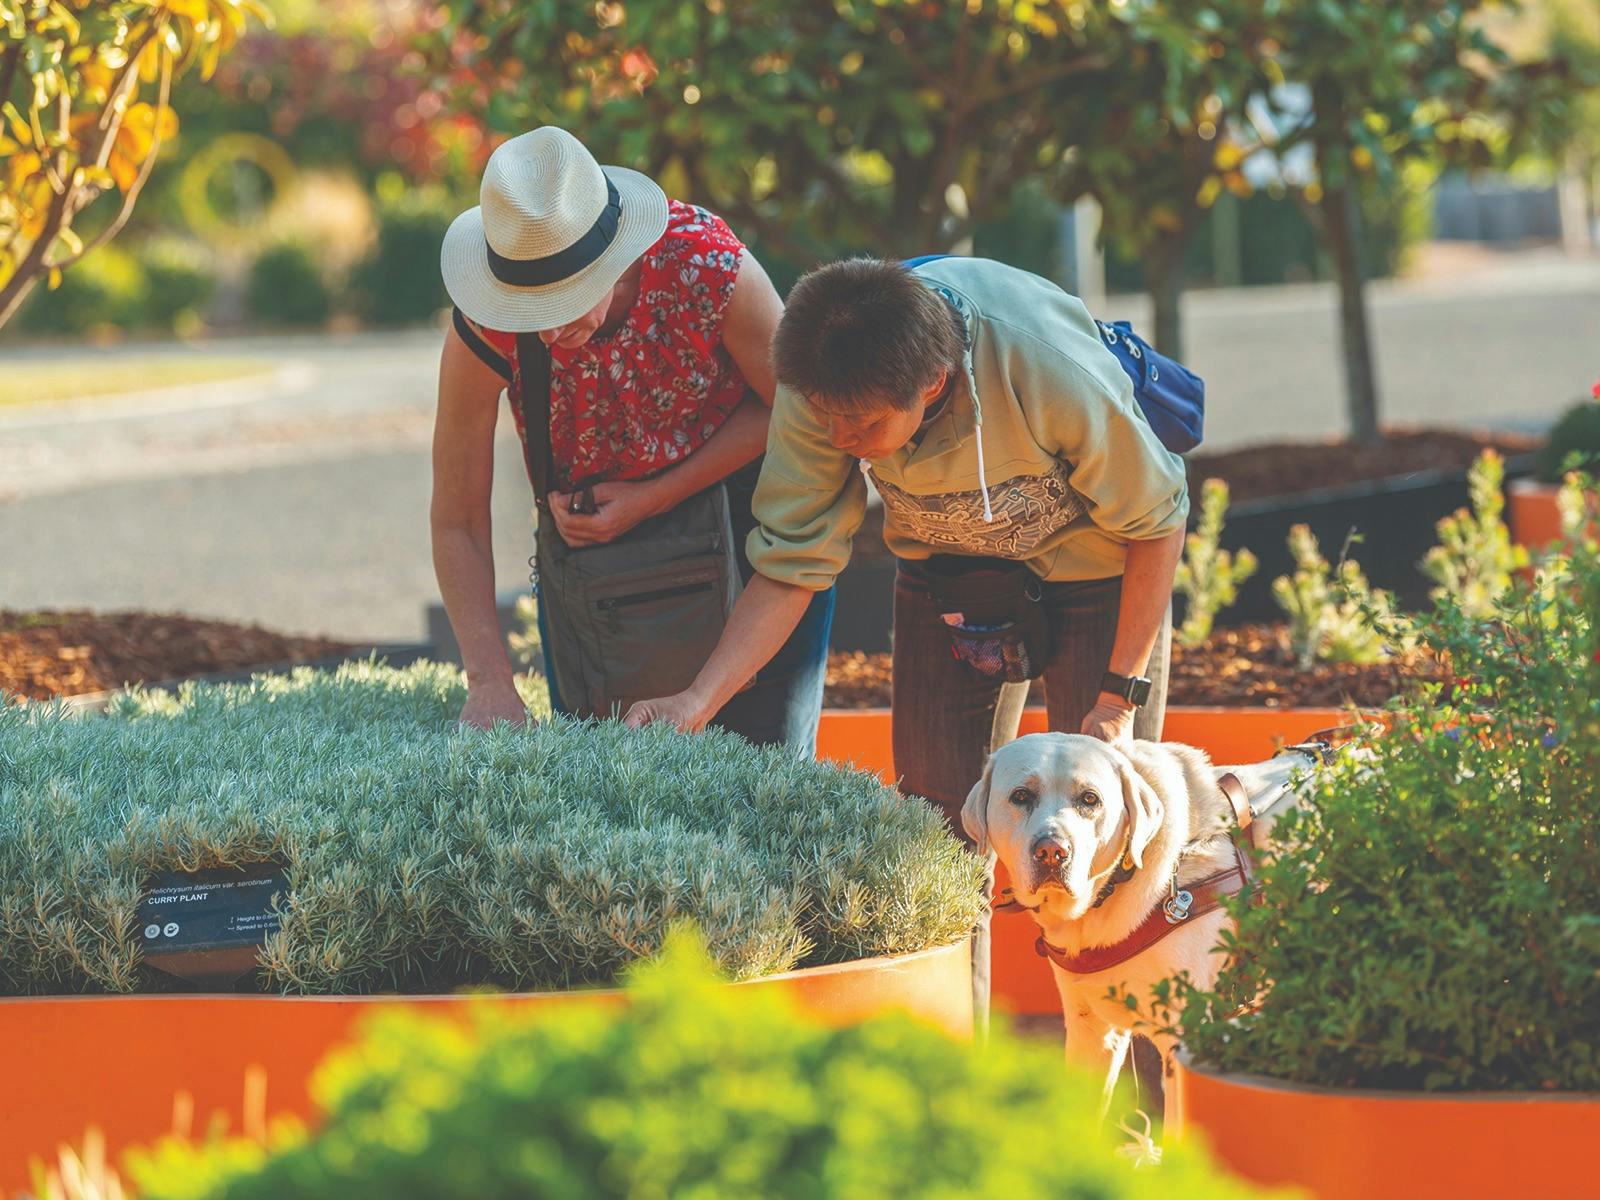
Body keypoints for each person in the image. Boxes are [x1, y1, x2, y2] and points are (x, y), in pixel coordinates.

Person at [626, 255, 1190, 1018]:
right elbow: (794, 562)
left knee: (1113, 838)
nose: (844, 441)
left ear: (932, 382)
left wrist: (1119, 695)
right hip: (950, 579)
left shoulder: (1043, 363)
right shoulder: (823, 387)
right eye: (830, 422)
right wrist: (697, 699)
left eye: (863, 427)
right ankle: (958, 1066)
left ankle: (1132, 1103)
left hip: (1099, 568)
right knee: (934, 833)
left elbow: (1158, 520)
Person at [432, 126, 833, 751]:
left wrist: (656, 496)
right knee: (607, 795)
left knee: (761, 789)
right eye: (524, 309)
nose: (542, 333)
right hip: (596, 581)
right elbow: (457, 519)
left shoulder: (705, 267)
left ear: (616, 258)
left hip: (746, 542)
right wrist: (489, 682)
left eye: (562, 302)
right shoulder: (484, 326)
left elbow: (797, 412)